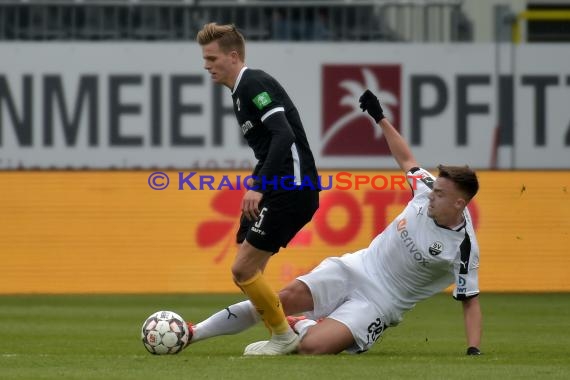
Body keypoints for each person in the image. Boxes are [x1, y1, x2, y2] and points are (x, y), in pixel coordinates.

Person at [184, 89, 483, 356]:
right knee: (278, 301)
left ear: (459, 203)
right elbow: (406, 158)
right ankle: (192, 333)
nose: (432, 195)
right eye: (434, 189)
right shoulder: (426, 187)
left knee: (312, 348)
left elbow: (470, 301)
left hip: (382, 303)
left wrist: (473, 349)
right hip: (356, 267)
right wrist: (379, 117)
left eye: (441, 194)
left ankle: (301, 325)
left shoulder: (464, 247)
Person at [196, 23, 320, 355]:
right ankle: (293, 327)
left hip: (293, 187)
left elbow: (284, 135)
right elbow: (268, 150)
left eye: (212, 58)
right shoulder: (239, 93)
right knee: (251, 272)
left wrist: (259, 186)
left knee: (242, 269)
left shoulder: (254, 83)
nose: (207, 65)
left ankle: (284, 336)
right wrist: (254, 194)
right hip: (281, 188)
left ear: (233, 56)